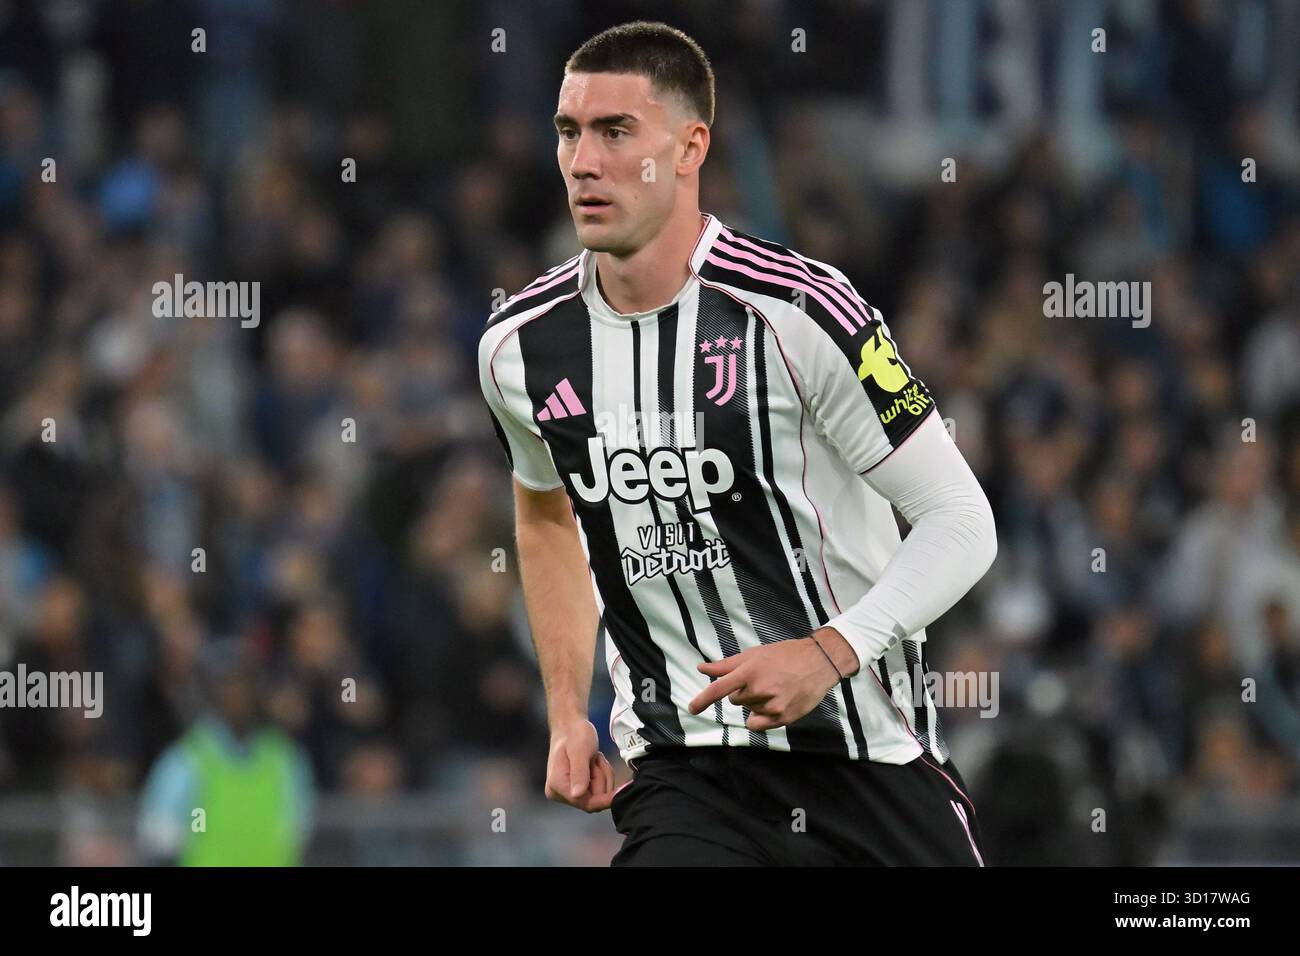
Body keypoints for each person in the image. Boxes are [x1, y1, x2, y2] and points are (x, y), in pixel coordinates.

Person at [477, 21, 997, 866]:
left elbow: (962, 522)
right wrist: (569, 710)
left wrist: (827, 654)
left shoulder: (801, 310)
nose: (582, 161)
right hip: (686, 778)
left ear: (690, 148)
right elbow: (545, 514)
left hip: (866, 761)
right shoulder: (519, 346)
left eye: (616, 132)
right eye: (569, 132)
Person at [137, 639, 315, 866]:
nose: (236, 695)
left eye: (243, 683)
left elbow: (296, 829)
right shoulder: (187, 760)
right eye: (226, 684)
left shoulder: (284, 758)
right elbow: (162, 837)